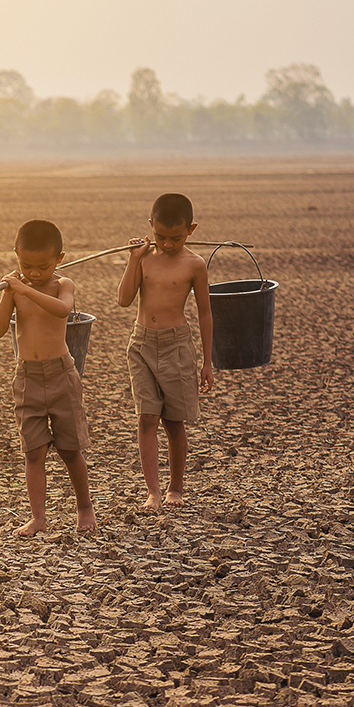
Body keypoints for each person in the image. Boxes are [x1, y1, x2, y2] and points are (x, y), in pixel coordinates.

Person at [0, 219, 95, 536]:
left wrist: (25, 289)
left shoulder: (63, 285)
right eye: (26, 266)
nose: (34, 274)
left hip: (61, 373)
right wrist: (9, 294)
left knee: (70, 449)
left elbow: (63, 310)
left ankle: (85, 509)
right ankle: (38, 517)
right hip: (28, 377)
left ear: (59, 260)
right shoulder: (16, 290)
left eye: (43, 267)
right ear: (16, 256)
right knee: (33, 451)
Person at [116, 193, 215, 510]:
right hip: (142, 344)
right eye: (160, 236)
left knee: (174, 423)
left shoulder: (195, 265)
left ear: (191, 229)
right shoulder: (144, 258)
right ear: (150, 227)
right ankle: (153, 493)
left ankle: (175, 489)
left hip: (177, 345)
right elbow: (124, 299)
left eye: (175, 237)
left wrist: (207, 361)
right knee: (146, 417)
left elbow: (204, 313)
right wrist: (134, 259)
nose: (167, 244)